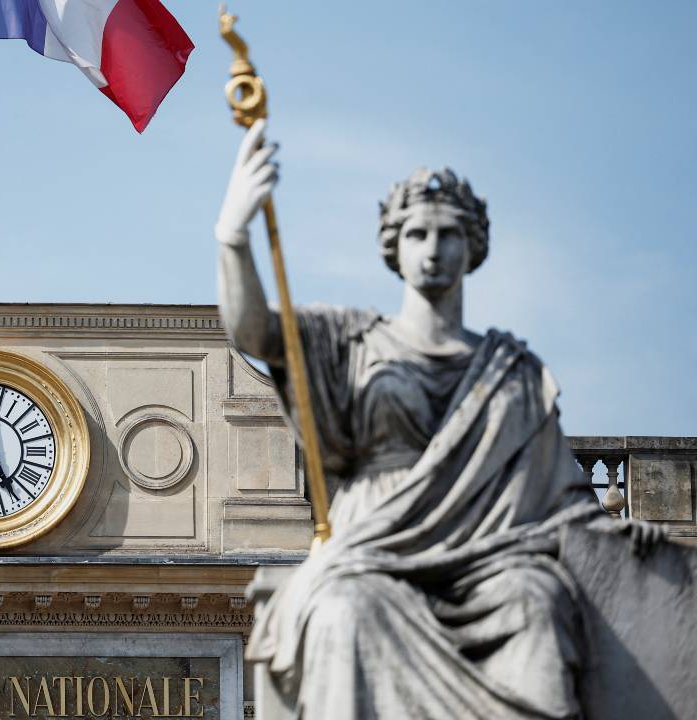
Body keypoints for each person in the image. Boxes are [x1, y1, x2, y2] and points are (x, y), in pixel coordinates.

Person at [217, 120, 664, 719]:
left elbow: (562, 496)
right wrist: (234, 233)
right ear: (393, 247)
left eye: (449, 234)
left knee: (536, 603)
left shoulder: (512, 371)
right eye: (418, 233)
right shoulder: (349, 340)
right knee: (345, 608)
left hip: (493, 555)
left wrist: (616, 533)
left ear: (472, 246)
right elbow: (251, 329)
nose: (433, 249)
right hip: (374, 549)